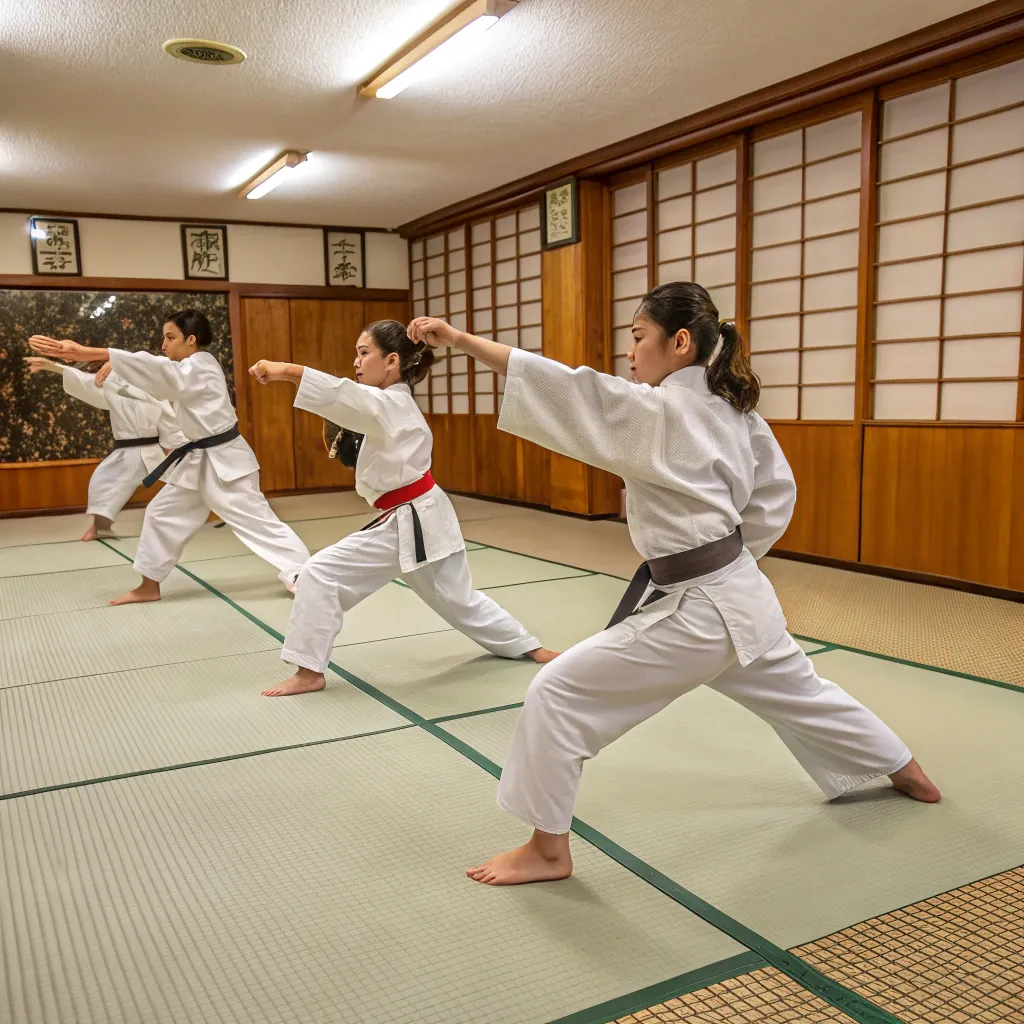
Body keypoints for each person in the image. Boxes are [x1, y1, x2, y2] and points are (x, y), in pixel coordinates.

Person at [408, 282, 940, 887]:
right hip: (742, 594)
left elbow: (568, 387)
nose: (630, 353)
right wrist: (732, 558)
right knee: (803, 693)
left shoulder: (657, 411)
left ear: (680, 342)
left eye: (638, 337)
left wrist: (460, 340)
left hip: (700, 611)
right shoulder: (735, 412)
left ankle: (548, 851)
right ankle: (907, 770)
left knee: (557, 692)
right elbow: (775, 496)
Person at [248, 318, 557, 698]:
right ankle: (529, 647)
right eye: (356, 354)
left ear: (392, 361)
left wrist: (284, 371)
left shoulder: (388, 403)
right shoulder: (390, 403)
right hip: (423, 515)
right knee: (457, 597)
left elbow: (340, 393)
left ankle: (309, 672)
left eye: (364, 353)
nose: (357, 362)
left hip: (410, 520)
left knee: (318, 574)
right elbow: (350, 400)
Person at [29, 310, 310, 605]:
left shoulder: (202, 366)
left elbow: (160, 373)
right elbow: (154, 374)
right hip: (198, 461)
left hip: (224, 461)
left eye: (170, 337)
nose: (164, 344)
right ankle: (149, 586)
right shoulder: (185, 368)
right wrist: (96, 362)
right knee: (161, 514)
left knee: (258, 522)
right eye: (163, 337)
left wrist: (89, 352)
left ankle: (304, 574)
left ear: (191, 340)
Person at [24, 356, 185, 541]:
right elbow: (85, 381)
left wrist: (170, 446)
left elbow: (167, 420)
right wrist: (52, 366)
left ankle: (104, 527)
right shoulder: (113, 385)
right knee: (103, 481)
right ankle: (101, 527)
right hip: (129, 450)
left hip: (149, 449)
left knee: (177, 483)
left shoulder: (151, 386)